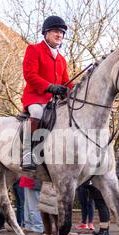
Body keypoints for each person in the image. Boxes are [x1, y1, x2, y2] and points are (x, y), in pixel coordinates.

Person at [21, 15, 74, 171]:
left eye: (62, 32)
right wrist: (50, 87)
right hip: (35, 97)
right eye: (56, 31)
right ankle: (27, 155)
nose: (59, 35)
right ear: (46, 33)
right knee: (37, 112)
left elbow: (66, 82)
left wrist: (77, 90)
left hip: (54, 101)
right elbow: (29, 75)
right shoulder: (34, 49)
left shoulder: (62, 60)